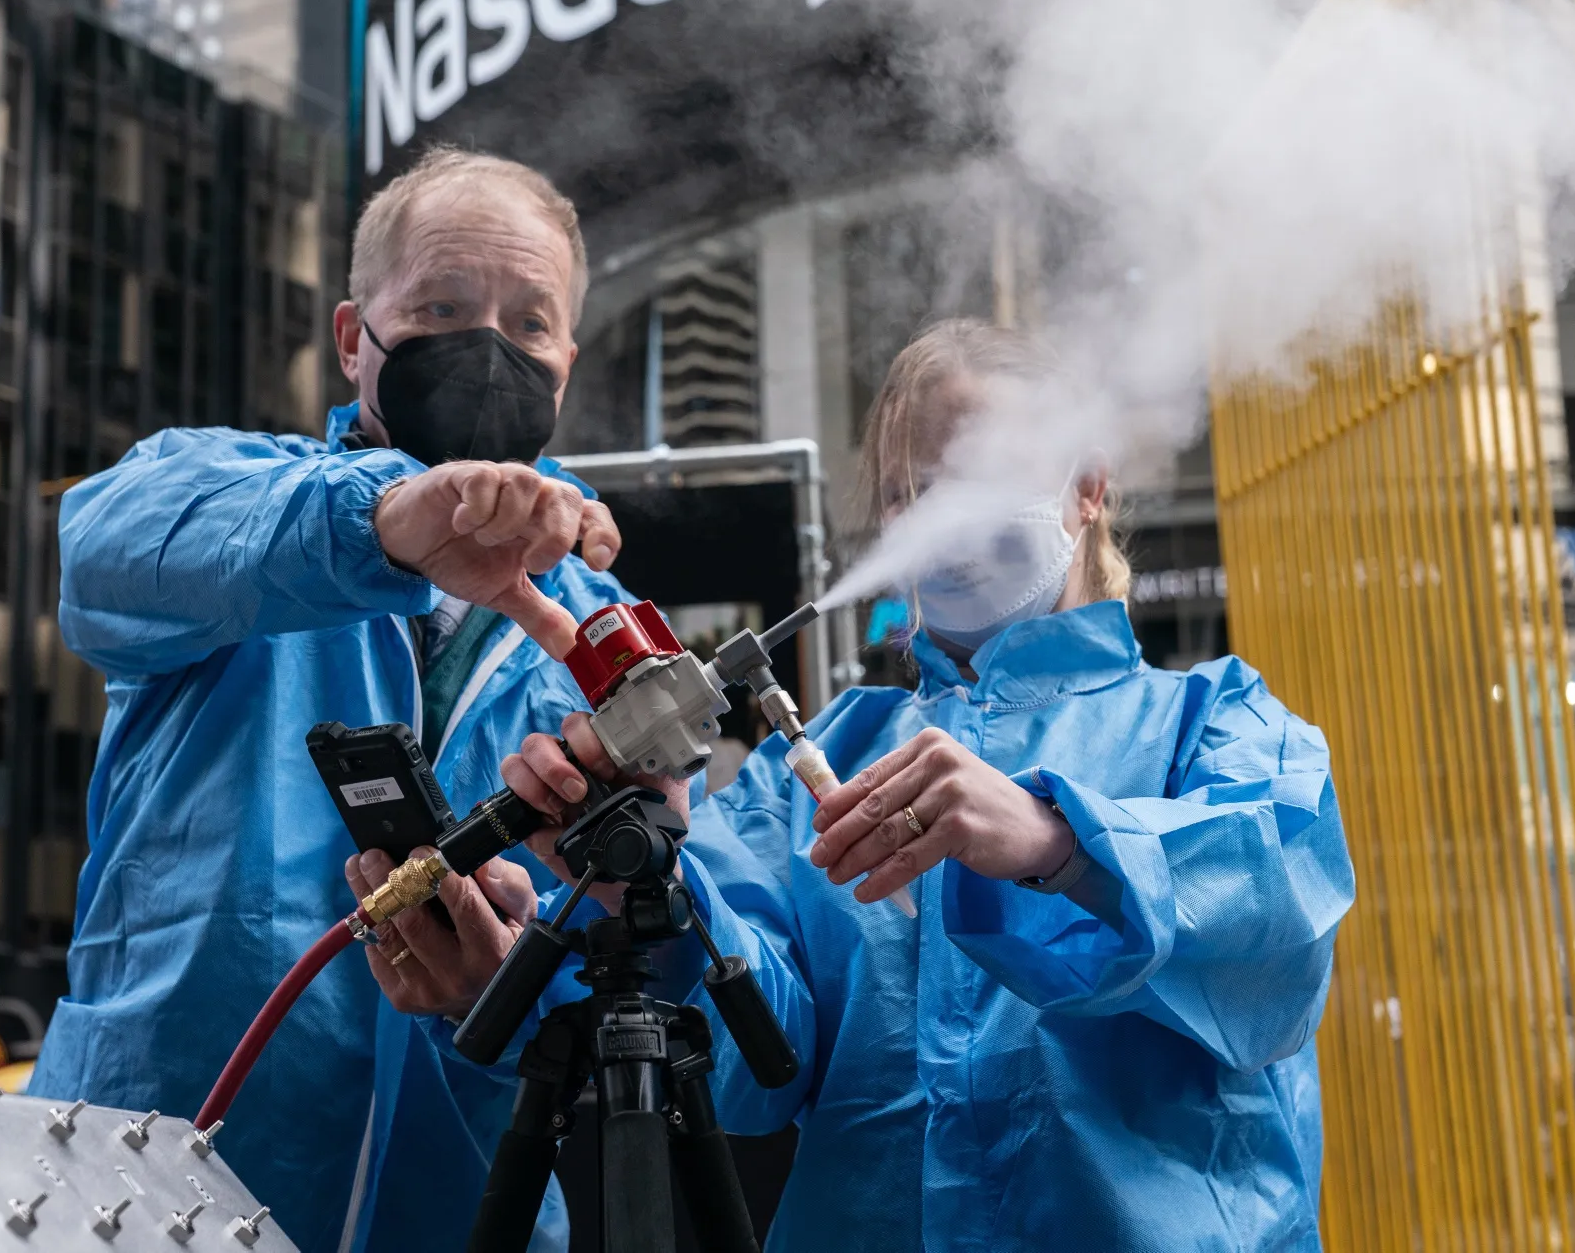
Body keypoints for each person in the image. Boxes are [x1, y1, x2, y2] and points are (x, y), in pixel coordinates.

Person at [377, 319, 1356, 1250]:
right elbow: (758, 1064)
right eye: (910, 490)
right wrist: (649, 876)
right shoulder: (816, 761)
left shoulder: (1214, 719)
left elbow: (1275, 917)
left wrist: (1054, 839)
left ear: (1087, 483)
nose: (944, 514)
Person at [30, 147, 633, 1253]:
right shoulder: (223, 495)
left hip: (458, 1211)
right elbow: (100, 554)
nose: (487, 348)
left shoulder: (602, 626)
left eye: (528, 322)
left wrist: (497, 997)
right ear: (356, 336)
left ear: (564, 363)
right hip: (141, 1193)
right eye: (442, 306)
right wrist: (385, 517)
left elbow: (643, 989)